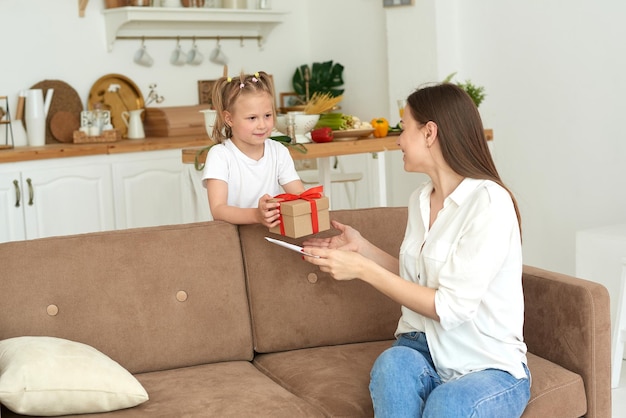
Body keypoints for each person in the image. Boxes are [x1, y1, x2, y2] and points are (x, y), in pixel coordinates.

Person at [302, 83, 530, 417]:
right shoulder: (421, 199)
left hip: (486, 363)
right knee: (391, 366)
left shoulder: (489, 203)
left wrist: (363, 271)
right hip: (423, 348)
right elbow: (419, 278)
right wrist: (362, 249)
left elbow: (450, 307)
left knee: (449, 402)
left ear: (429, 133)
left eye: (404, 127)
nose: (398, 139)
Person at [202, 71, 305, 227]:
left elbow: (299, 195)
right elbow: (218, 209)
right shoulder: (220, 155)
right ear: (229, 119)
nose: (262, 125)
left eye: (268, 115)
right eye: (252, 118)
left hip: (271, 234)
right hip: (232, 238)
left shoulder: (279, 151)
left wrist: (310, 201)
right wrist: (256, 215)